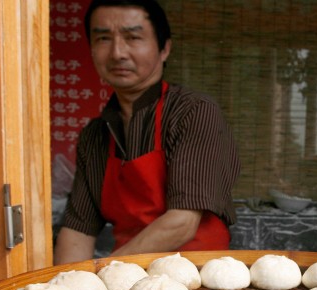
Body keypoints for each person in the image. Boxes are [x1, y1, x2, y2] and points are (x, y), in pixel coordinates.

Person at [54, 0, 241, 264]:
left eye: (133, 37)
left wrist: (103, 271)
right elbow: (78, 228)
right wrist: (66, 287)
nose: (118, 52)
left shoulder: (194, 111)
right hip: (127, 282)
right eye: (104, 38)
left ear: (164, 49)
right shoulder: (94, 135)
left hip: (197, 280)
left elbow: (182, 221)